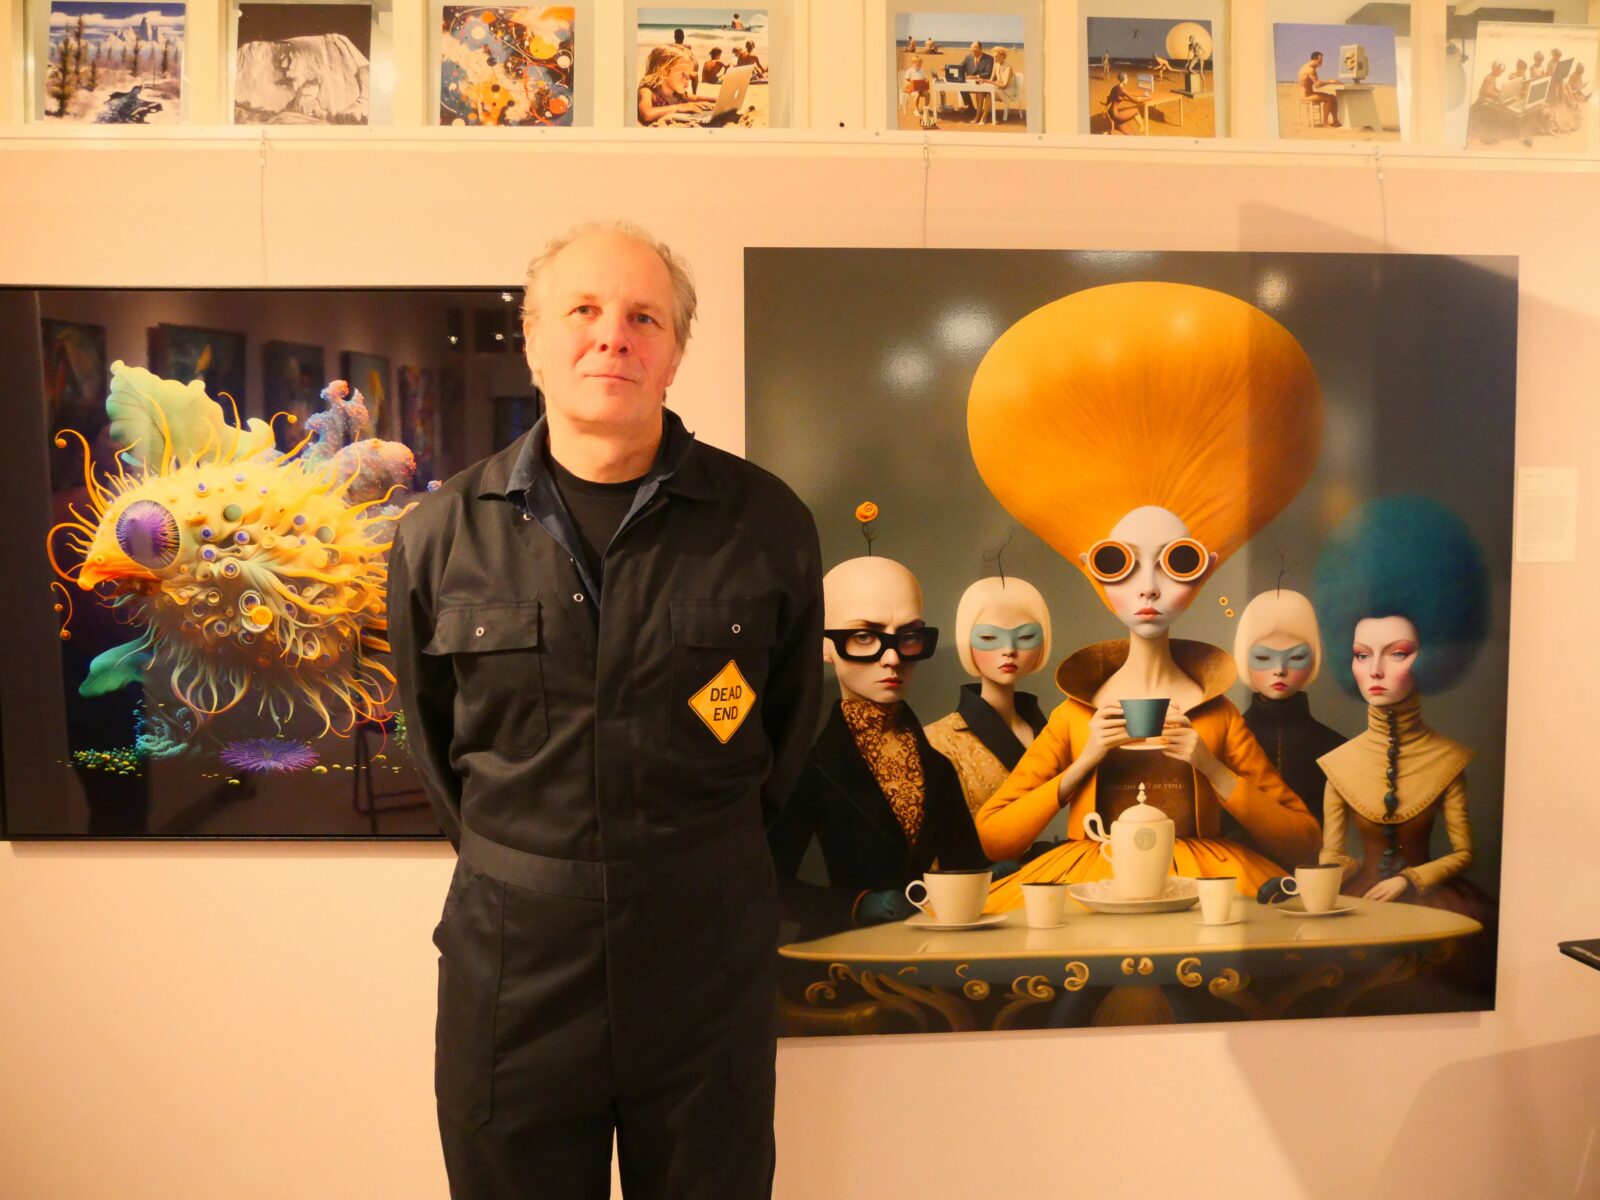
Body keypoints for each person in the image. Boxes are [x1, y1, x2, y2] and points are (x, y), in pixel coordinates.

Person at [388, 222, 823, 1197]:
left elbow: (790, 730)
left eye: (643, 317)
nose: (611, 336)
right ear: (534, 341)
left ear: (675, 350)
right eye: (583, 310)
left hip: (705, 956)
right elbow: (433, 741)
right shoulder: (441, 535)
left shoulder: (765, 524)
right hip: (516, 964)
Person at [967, 282, 1325, 911]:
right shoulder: (1077, 716)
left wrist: (1210, 767)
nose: (1149, 587)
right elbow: (994, 836)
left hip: (1207, 881)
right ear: (1092, 568)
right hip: (1089, 875)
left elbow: (1302, 840)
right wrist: (1085, 761)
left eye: (1178, 562)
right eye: (1119, 564)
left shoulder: (1215, 715)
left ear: (1206, 567)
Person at [1313, 497, 1496, 993]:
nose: (1375, 670)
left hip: (1434, 902)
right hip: (1359, 899)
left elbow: (1463, 852)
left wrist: (1410, 880)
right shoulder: (1340, 766)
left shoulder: (1448, 760)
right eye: (1360, 654)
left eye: (1396, 653)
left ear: (1430, 654)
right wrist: (1326, 878)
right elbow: (1335, 854)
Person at [768, 555, 987, 941]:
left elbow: (965, 864)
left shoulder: (936, 764)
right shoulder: (808, 766)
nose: (892, 658)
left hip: (933, 945)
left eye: (909, 637)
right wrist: (856, 905)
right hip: (846, 952)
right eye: (864, 637)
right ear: (823, 645)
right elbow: (768, 883)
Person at [925, 576, 1051, 816]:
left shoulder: (1051, 731)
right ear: (966, 640)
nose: (1009, 650)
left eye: (1025, 637)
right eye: (989, 638)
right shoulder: (937, 740)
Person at [1233, 588, 1346, 830]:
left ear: (1313, 659)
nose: (1279, 670)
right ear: (1244, 657)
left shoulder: (1338, 751)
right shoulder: (1226, 744)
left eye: (1295, 657)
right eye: (1263, 658)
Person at [637, 43, 711, 125]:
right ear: (664, 73)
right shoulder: (648, 92)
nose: (688, 79)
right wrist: (679, 107)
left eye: (689, 74)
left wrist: (718, 101)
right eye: (683, 74)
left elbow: (697, 98)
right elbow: (647, 114)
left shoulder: (677, 94)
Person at [1298, 51, 1340, 127]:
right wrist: (1330, 81)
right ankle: (1325, 123)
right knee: (1330, 99)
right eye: (1320, 60)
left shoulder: (1304, 67)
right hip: (1306, 96)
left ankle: (1336, 121)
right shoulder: (1310, 69)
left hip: (1308, 94)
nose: (1321, 63)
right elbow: (1317, 85)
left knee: (1333, 97)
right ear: (1315, 58)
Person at [1104, 70, 1149, 134]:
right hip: (1116, 115)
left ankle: (1108, 132)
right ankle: (1142, 127)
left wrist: (1143, 95)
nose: (1127, 79)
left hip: (1111, 113)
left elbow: (1109, 99)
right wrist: (1148, 98)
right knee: (1136, 110)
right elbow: (1136, 100)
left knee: (1132, 135)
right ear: (1123, 80)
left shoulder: (1115, 87)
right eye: (1126, 78)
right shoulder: (1122, 90)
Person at [960, 40, 995, 120]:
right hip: (970, 83)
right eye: (972, 50)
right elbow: (961, 67)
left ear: (981, 49)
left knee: (979, 90)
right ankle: (970, 107)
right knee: (961, 87)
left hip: (983, 83)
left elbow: (988, 73)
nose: (973, 52)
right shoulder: (968, 57)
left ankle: (979, 113)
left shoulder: (989, 58)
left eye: (975, 50)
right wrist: (948, 68)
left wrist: (976, 77)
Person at [990, 45, 1019, 117]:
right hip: (1000, 89)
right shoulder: (996, 65)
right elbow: (991, 80)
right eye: (993, 56)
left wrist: (993, 83)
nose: (994, 58)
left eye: (996, 56)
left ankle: (986, 116)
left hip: (1008, 92)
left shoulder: (1008, 67)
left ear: (1002, 56)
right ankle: (984, 115)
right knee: (986, 93)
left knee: (989, 93)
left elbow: (1004, 85)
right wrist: (982, 80)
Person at [902, 53, 931, 119]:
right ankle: (916, 109)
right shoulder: (910, 71)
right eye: (917, 65)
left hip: (921, 88)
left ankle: (925, 108)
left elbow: (925, 78)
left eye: (920, 65)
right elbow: (905, 80)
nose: (919, 66)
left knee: (927, 94)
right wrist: (908, 83)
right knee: (917, 94)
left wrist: (926, 80)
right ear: (912, 64)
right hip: (912, 89)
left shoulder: (922, 70)